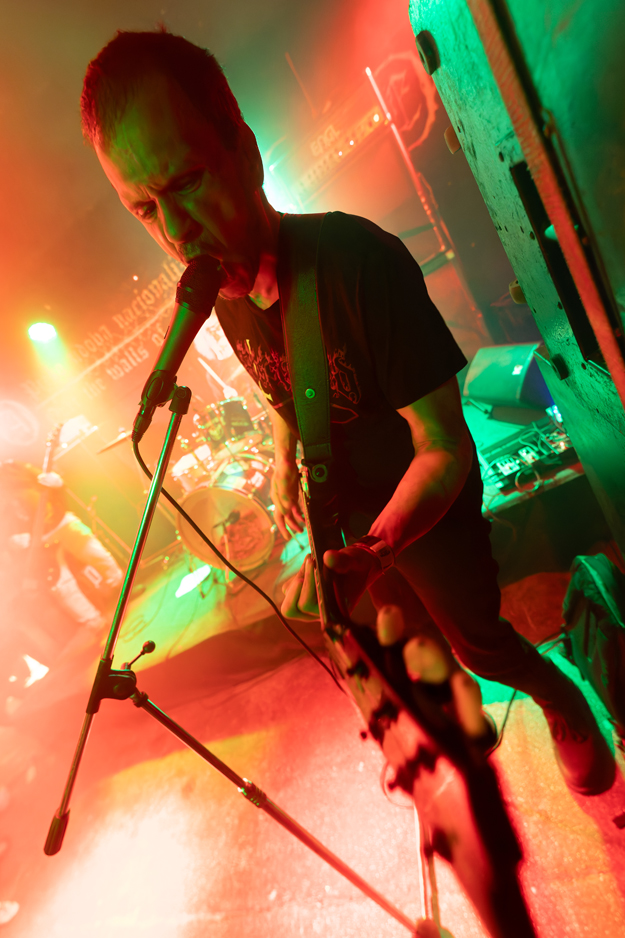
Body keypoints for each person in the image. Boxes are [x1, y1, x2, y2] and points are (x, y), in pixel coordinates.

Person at [79, 28, 616, 795]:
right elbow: (284, 391)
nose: (174, 231)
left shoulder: (358, 261)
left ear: (243, 151)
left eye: (186, 182)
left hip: (421, 502)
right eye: (143, 208)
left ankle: (561, 699)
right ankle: (458, 729)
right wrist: (283, 468)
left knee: (479, 644)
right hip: (352, 512)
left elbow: (443, 445)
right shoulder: (223, 294)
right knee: (400, 641)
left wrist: (376, 546)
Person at [0, 461, 123, 711]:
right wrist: (16, 540)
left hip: (62, 524)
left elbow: (56, 486)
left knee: (105, 564)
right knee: (63, 584)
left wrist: (57, 483)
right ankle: (94, 621)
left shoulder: (25, 475)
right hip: (39, 540)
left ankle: (119, 598)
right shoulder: (5, 500)